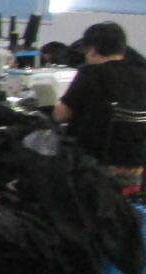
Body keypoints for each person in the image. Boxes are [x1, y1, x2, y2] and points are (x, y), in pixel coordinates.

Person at [55, 22, 146, 181]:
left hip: (95, 164)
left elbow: (61, 116)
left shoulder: (90, 73)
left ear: (92, 49)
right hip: (137, 164)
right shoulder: (142, 74)